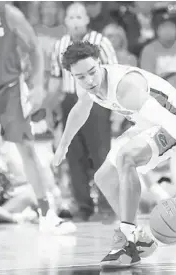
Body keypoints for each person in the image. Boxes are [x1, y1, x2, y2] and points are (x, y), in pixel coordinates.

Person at [52, 41, 176, 268]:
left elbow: (165, 118)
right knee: (103, 178)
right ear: (73, 75)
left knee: (127, 158)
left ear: (100, 63)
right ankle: (140, 238)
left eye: (92, 72)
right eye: (81, 77)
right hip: (145, 125)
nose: (89, 80)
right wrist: (63, 145)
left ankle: (126, 240)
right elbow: (80, 109)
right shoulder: (87, 84)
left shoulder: (125, 88)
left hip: (175, 122)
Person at [0, 1, 75, 239]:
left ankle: (47, 214)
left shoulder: (8, 14)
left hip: (10, 89)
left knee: (26, 148)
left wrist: (37, 86)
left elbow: (35, 48)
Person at [48, 3, 118, 221]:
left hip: (98, 102)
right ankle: (82, 207)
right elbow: (54, 81)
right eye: (71, 17)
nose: (75, 21)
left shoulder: (101, 42)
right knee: (73, 156)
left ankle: (108, 206)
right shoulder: (59, 45)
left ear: (87, 19)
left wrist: (116, 113)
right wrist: (52, 112)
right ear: (65, 21)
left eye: (79, 17)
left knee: (101, 156)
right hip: (69, 101)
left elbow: (114, 76)